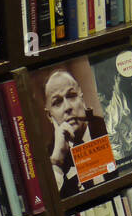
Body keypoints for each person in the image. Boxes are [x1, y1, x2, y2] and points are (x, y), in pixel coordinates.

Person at [43, 68, 107, 198]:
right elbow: (47, 203)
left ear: (82, 99)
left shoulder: (107, 128)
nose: (67, 107)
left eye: (71, 96)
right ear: (50, 116)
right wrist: (57, 162)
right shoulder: (50, 156)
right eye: (57, 102)